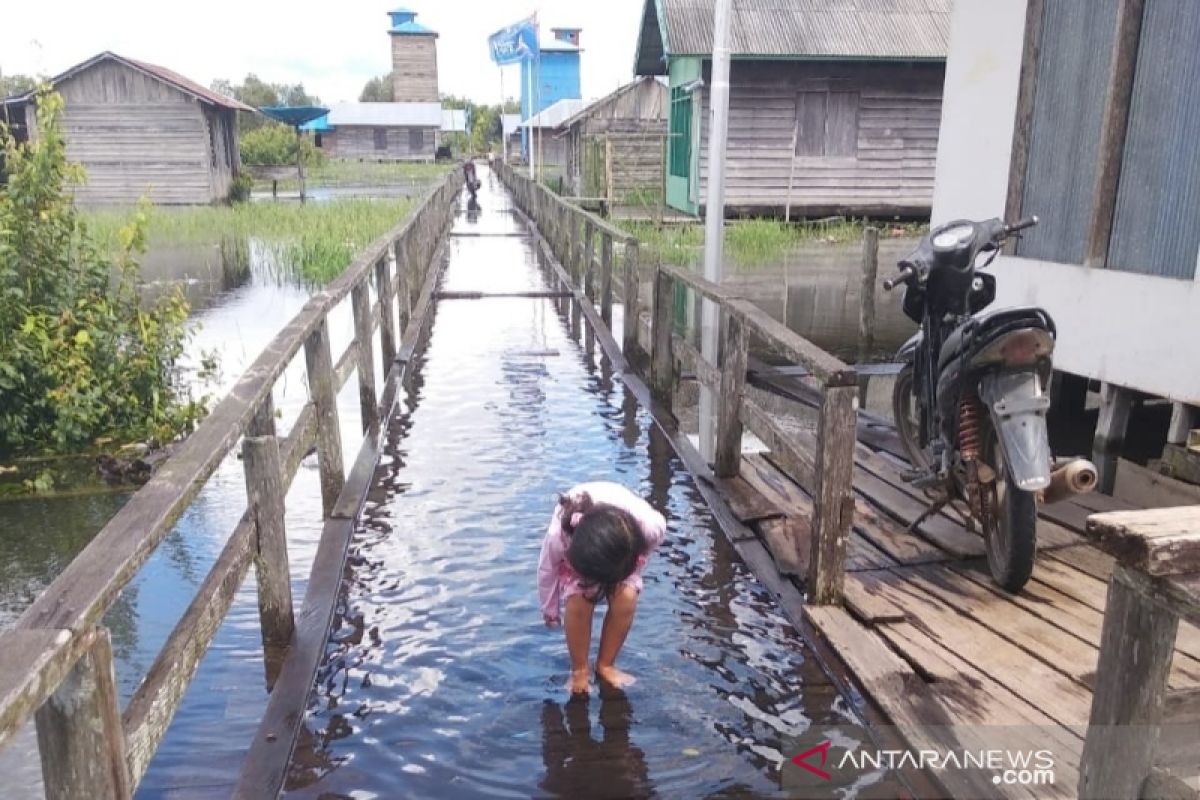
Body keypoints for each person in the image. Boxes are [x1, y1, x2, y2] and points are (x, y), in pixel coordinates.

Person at [537, 482, 667, 694]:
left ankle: (606, 664)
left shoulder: (650, 527)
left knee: (626, 595)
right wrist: (550, 609)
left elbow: (647, 548)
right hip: (582, 537)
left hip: (621, 545)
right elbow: (547, 569)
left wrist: (631, 560)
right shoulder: (559, 534)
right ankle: (579, 670)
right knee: (580, 597)